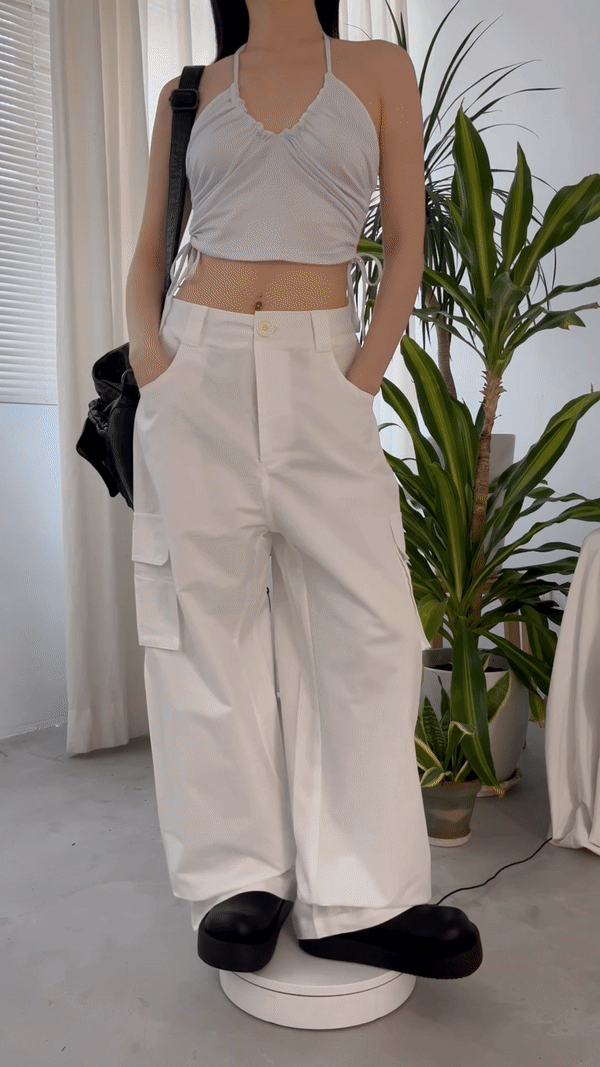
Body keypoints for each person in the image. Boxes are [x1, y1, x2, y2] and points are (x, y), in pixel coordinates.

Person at [125, 0, 482, 981]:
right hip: (195, 368)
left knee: (371, 627)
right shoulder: (189, 93)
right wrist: (154, 358)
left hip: (324, 368)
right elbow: (151, 249)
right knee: (204, 627)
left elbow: (404, 242)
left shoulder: (377, 70)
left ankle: (360, 897)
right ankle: (239, 876)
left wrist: (358, 379)